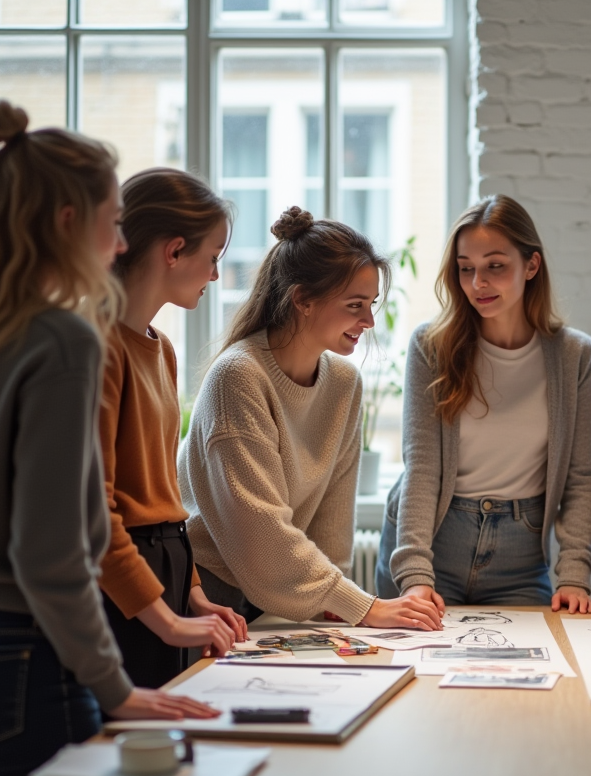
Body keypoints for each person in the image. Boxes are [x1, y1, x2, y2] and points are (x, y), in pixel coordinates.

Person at [0, 101, 217, 776]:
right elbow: (57, 551)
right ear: (70, 223)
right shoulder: (67, 340)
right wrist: (113, 686)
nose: (121, 239)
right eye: (112, 217)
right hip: (23, 665)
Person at [179, 206, 442, 630]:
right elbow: (261, 535)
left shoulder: (343, 383)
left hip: (281, 596)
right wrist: (365, 607)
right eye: (355, 304)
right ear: (302, 299)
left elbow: (333, 527)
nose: (370, 321)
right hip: (210, 597)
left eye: (372, 304)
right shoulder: (238, 377)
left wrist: (335, 608)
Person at [376, 195, 591, 612]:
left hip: (519, 561)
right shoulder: (432, 347)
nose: (478, 283)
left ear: (531, 266)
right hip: (430, 545)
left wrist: (574, 574)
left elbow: (583, 477)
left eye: (495, 266)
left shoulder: (575, 356)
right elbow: (422, 467)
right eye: (466, 269)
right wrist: (413, 575)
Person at [98, 167, 248, 689]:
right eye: (213, 258)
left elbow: (163, 492)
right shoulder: (97, 346)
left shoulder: (161, 349)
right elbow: (99, 510)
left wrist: (192, 592)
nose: (213, 276)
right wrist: (162, 612)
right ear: (174, 250)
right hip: (121, 576)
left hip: (165, 566)